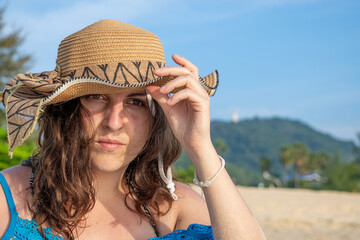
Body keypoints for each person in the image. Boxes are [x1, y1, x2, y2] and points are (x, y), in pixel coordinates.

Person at [0, 20, 265, 240]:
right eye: (96, 97)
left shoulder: (174, 207)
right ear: (64, 109)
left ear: (155, 117)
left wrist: (199, 146)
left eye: (136, 102)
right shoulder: (8, 197)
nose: (114, 122)